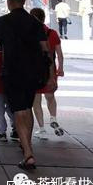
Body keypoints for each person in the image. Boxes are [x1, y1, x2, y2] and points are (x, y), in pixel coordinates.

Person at [0, 0, 49, 170]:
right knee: (27, 108)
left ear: (8, 2)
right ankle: (27, 144)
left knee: (19, 111)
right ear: (24, 1)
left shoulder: (3, 21)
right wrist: (49, 73)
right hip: (33, 73)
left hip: (12, 72)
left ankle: (28, 154)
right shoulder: (35, 23)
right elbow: (45, 49)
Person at [29, 8, 65, 139]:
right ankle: (53, 118)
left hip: (34, 71)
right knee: (50, 96)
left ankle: (42, 129)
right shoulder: (52, 33)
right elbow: (59, 54)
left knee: (36, 101)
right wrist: (60, 69)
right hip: (50, 70)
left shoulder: (29, 34)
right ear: (44, 18)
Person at [0, 49, 17, 142]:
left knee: (0, 111)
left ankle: (2, 132)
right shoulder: (13, 55)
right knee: (11, 109)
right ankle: (15, 129)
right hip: (11, 87)